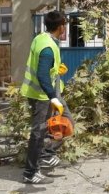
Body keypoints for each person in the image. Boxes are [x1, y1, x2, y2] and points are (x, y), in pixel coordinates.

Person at [21, 11, 74, 184]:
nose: (65, 27)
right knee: (38, 132)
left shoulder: (42, 38)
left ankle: (47, 153)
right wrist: (53, 97)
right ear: (60, 27)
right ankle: (30, 172)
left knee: (67, 122)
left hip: (49, 92)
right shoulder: (47, 48)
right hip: (41, 96)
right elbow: (42, 74)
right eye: (64, 25)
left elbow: (45, 69)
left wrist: (56, 69)